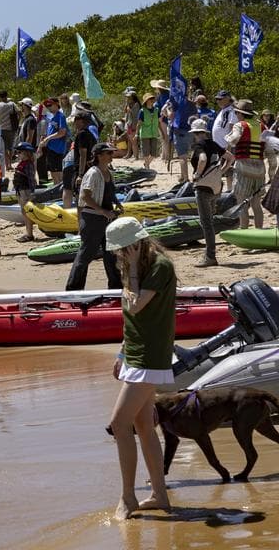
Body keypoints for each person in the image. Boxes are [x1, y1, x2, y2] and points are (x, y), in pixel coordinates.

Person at [105, 216, 176, 519]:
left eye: (123, 250)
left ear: (136, 244)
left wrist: (133, 270)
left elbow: (135, 306)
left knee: (120, 425)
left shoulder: (159, 267)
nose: (119, 255)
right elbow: (131, 318)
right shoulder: (138, 267)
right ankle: (159, 495)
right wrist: (122, 353)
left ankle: (128, 497)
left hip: (150, 356)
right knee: (144, 426)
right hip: (136, 354)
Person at [65, 143, 122, 290]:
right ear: (99, 155)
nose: (111, 155)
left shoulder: (108, 172)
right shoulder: (93, 173)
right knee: (85, 255)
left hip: (108, 219)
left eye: (111, 153)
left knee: (112, 255)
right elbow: (85, 196)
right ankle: (73, 289)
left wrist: (117, 203)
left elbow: (110, 192)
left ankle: (116, 287)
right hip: (92, 219)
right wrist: (103, 211)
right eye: (108, 153)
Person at [224, 99, 269, 230]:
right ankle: (259, 230)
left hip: (244, 167)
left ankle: (244, 229)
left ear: (241, 114)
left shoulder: (240, 125)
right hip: (260, 168)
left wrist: (227, 137)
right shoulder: (261, 126)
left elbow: (233, 140)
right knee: (256, 203)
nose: (237, 115)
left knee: (242, 202)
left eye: (237, 113)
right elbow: (269, 149)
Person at [188, 118, 223, 267]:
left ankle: (210, 256)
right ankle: (210, 254)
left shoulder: (198, 145)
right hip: (216, 186)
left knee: (206, 223)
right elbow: (230, 157)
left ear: (195, 133)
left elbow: (202, 159)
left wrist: (197, 175)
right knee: (210, 222)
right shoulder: (214, 144)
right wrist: (222, 171)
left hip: (203, 187)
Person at [12, 142, 38, 242]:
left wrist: (32, 192)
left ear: (26, 153)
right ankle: (28, 232)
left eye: (20, 152)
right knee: (24, 212)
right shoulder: (22, 163)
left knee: (26, 212)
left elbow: (31, 179)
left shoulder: (28, 165)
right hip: (20, 190)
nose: (17, 154)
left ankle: (29, 234)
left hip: (26, 191)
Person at [38, 97, 68, 185]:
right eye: (47, 106)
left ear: (56, 104)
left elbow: (62, 132)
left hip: (57, 149)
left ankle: (60, 192)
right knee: (52, 172)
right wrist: (41, 145)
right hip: (50, 148)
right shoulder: (50, 117)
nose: (48, 107)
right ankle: (57, 190)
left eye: (50, 105)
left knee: (58, 173)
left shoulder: (60, 116)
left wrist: (48, 138)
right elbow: (47, 132)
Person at [136, 93, 160, 169]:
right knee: (146, 152)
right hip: (145, 134)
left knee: (154, 153)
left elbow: (159, 123)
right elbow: (138, 124)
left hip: (154, 133)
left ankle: (146, 163)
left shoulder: (156, 110)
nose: (151, 100)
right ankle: (147, 167)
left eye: (152, 99)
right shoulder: (142, 111)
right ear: (146, 101)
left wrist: (162, 133)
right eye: (150, 99)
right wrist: (136, 134)